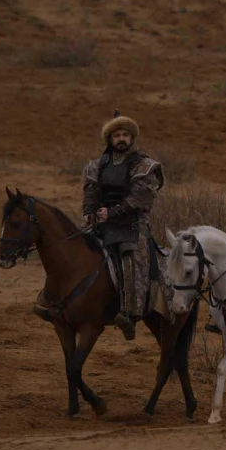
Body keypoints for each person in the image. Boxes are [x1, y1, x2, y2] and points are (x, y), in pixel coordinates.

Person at [79, 112, 164, 340]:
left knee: (129, 256)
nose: (121, 139)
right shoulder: (98, 165)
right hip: (101, 223)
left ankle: (129, 313)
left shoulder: (142, 164)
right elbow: (91, 191)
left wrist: (112, 212)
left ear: (132, 138)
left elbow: (140, 198)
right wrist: (89, 212)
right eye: (117, 135)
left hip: (131, 225)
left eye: (126, 134)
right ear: (110, 139)